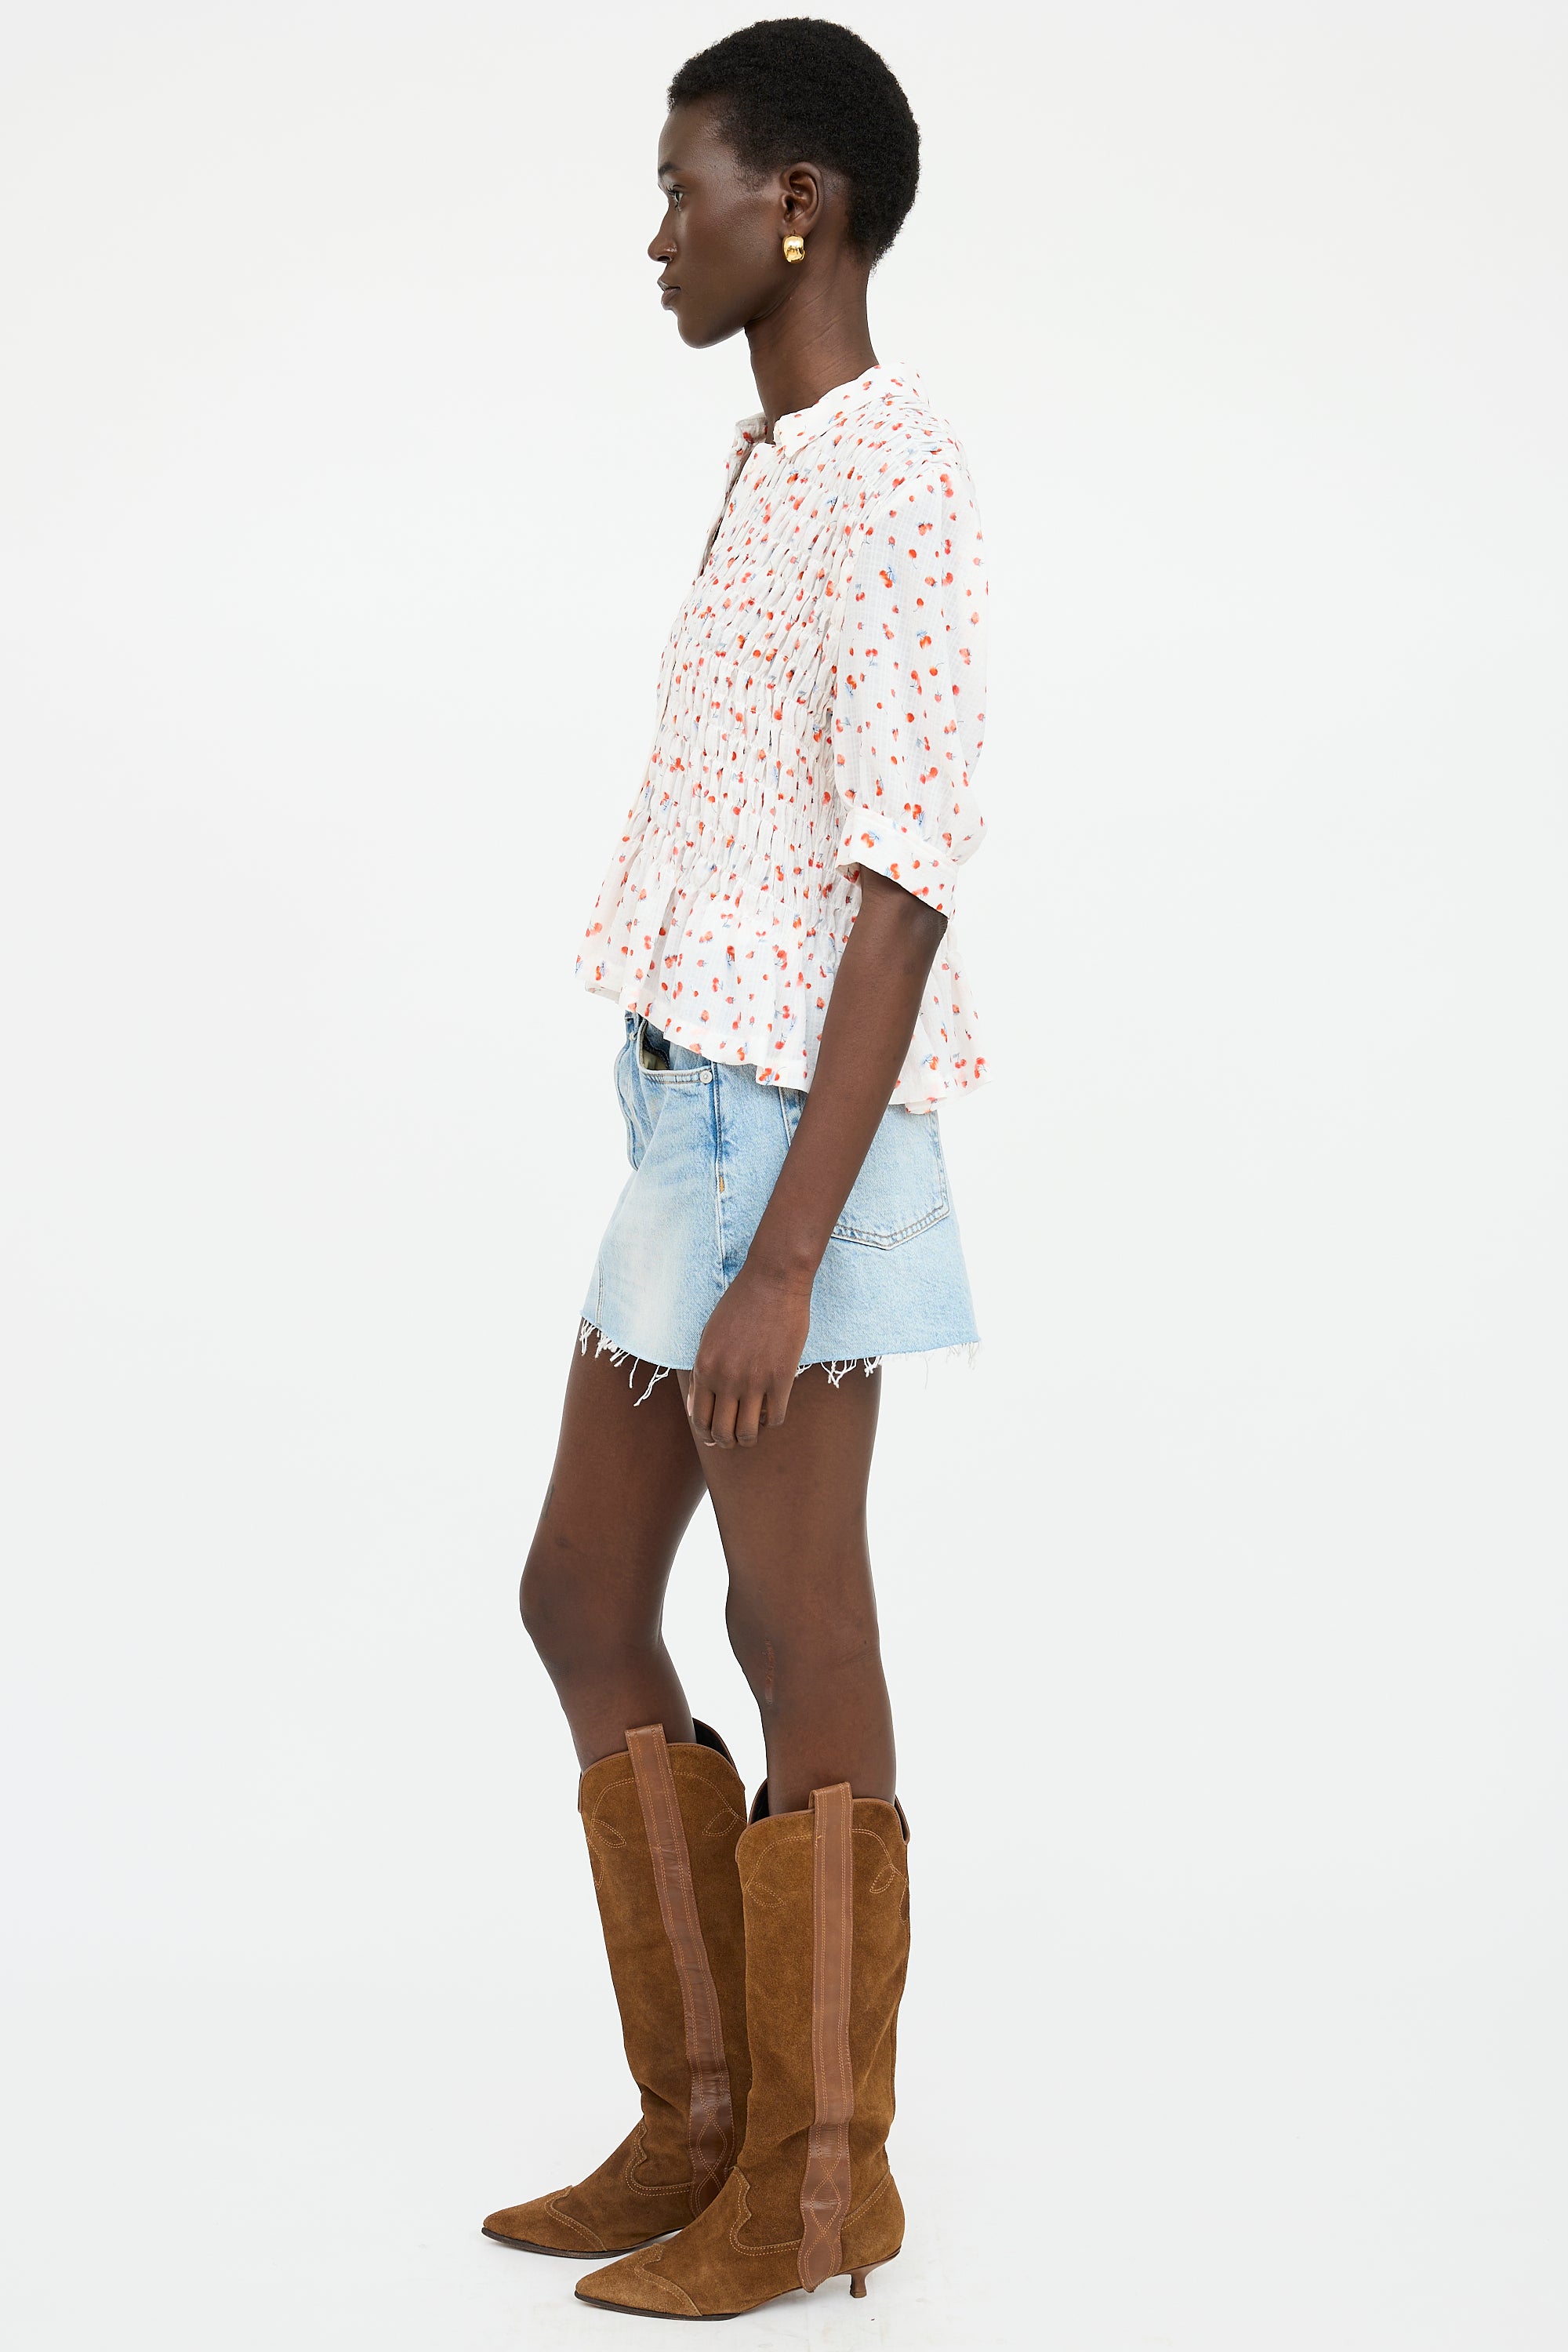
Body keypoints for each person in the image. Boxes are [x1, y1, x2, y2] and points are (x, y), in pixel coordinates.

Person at [483, 18, 990, 2320]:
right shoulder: (771, 460)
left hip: (800, 1145)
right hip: (684, 1116)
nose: (656, 233)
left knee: (799, 1628)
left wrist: (785, 1260)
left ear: (802, 204)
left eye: (682, 187)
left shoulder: (895, 472)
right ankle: (707, 2121)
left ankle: (817, 2185)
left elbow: (904, 884)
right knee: (581, 1596)